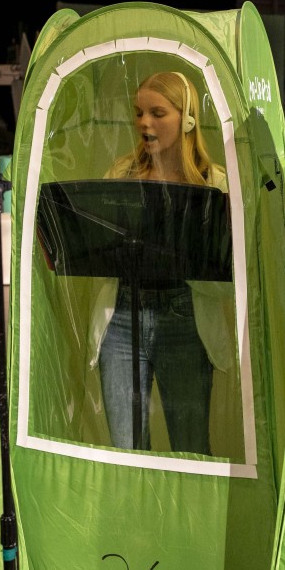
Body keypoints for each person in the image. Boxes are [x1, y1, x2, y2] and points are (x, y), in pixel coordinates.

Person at [89, 71, 233, 455]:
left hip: (185, 321)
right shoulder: (121, 174)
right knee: (126, 450)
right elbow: (99, 248)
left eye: (157, 113)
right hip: (122, 319)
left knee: (190, 448)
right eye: (138, 113)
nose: (144, 123)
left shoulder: (213, 184)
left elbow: (228, 276)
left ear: (188, 119)